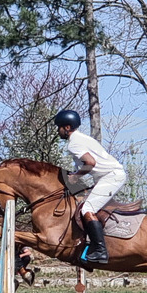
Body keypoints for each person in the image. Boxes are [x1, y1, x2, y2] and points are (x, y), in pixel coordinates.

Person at [54, 109, 127, 265]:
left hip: (111, 176)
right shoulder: (81, 139)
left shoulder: (74, 143)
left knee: (88, 209)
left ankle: (101, 251)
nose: (58, 130)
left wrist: (75, 177)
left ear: (67, 127)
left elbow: (90, 163)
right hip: (106, 176)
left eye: (59, 127)